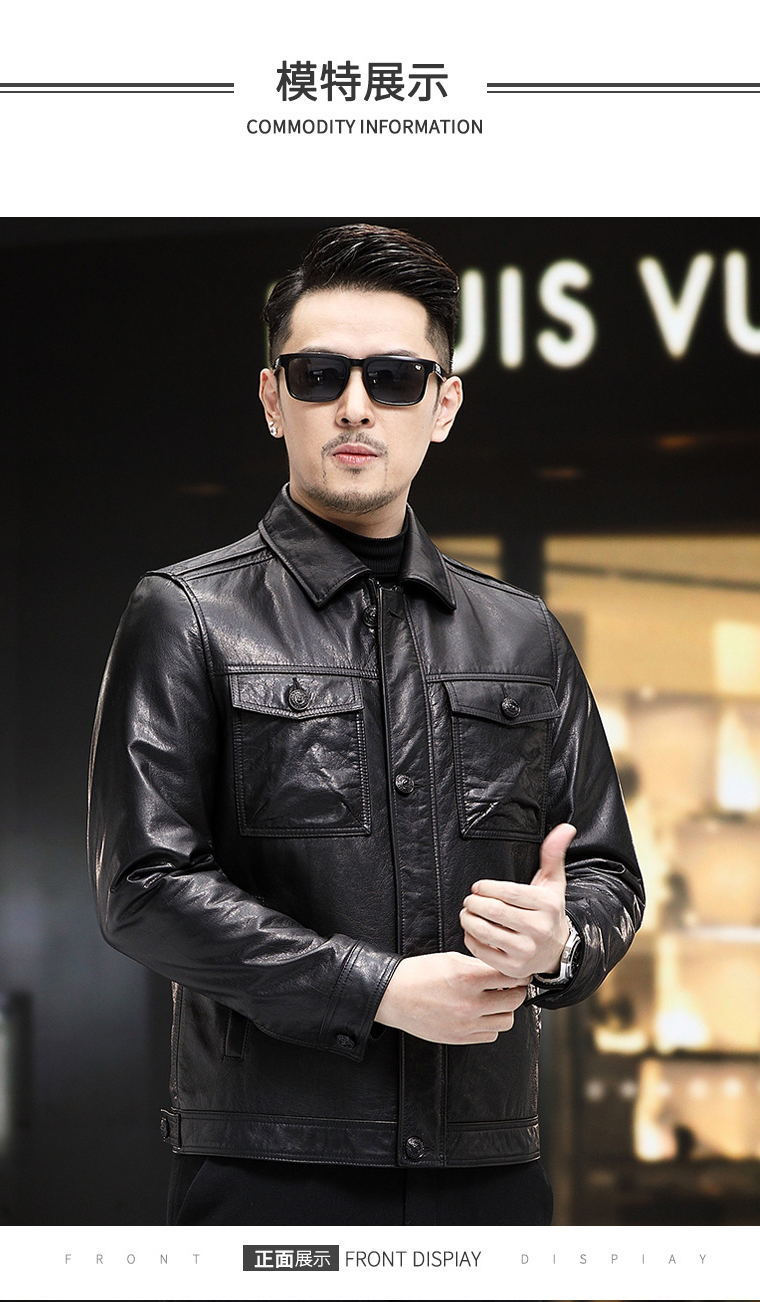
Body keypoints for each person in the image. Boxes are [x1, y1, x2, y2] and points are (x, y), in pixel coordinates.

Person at [87, 223, 644, 1227]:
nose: (355, 405)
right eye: (319, 376)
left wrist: (560, 943)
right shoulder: (188, 614)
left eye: (393, 378)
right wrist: (375, 990)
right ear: (273, 400)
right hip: (269, 1171)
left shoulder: (522, 634)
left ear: (443, 405)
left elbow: (608, 872)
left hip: (488, 1172)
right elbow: (143, 886)